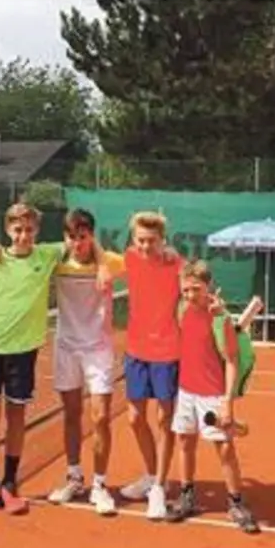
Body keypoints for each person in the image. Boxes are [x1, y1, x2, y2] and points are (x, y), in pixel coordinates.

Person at [0, 202, 65, 518]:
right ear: (8, 230)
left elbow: (82, 242)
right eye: (18, 229)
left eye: (29, 229)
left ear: (37, 230)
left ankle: (9, 484)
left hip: (24, 352)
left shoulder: (47, 255)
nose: (23, 235)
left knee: (17, 417)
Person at [96, 210, 185, 521]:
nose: (145, 246)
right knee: (135, 419)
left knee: (164, 420)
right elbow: (96, 253)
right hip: (136, 351)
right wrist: (104, 271)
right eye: (140, 240)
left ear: (163, 240)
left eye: (151, 241)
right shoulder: (130, 258)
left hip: (168, 353)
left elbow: (199, 281)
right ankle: (150, 476)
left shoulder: (177, 264)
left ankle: (159, 488)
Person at [163, 261, 261, 534]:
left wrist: (226, 403)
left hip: (213, 394)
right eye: (186, 290)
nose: (190, 295)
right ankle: (187, 495)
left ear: (208, 287)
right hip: (186, 390)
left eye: (196, 289)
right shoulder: (182, 309)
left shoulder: (220, 318)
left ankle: (236, 503)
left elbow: (230, 360)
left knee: (225, 450)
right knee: (185, 441)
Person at [46, 208, 126, 515]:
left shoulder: (111, 261)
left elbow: (147, 260)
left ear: (91, 235)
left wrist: (103, 261)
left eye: (82, 236)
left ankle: (100, 485)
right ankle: (74, 477)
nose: (77, 243)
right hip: (66, 347)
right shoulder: (57, 261)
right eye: (71, 237)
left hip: (98, 350)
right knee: (71, 415)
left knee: (101, 417)